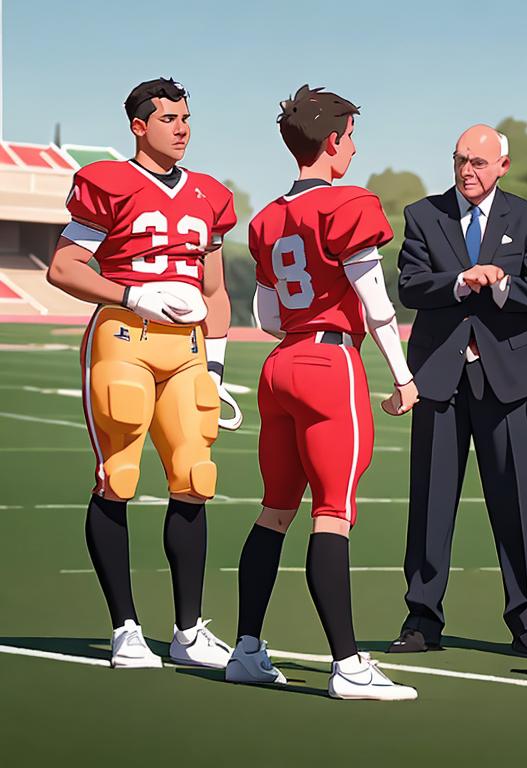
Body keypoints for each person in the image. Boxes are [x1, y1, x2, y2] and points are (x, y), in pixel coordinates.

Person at [225, 85, 417, 701]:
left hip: (279, 364)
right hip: (330, 363)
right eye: (352, 136)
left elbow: (267, 317)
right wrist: (403, 375)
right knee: (332, 514)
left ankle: (247, 649)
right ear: (332, 141)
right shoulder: (349, 203)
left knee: (275, 510)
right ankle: (349, 664)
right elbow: (377, 303)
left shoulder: (266, 219)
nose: (354, 147)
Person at [47, 77, 239, 670]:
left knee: (194, 475)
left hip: (186, 349)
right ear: (139, 125)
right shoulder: (108, 183)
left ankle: (187, 629)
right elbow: (63, 266)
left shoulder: (210, 193)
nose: (182, 128)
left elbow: (215, 291)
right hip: (125, 338)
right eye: (169, 119)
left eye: (187, 118)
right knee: (119, 476)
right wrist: (133, 295)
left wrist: (216, 364)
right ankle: (125, 627)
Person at [391, 124, 527, 659]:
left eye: (480, 163)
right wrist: (461, 281)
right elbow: (409, 285)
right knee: (429, 502)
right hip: (440, 380)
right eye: (461, 160)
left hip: (509, 381)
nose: (468, 172)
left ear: (502, 166)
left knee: (517, 503)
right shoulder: (424, 215)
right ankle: (421, 619)